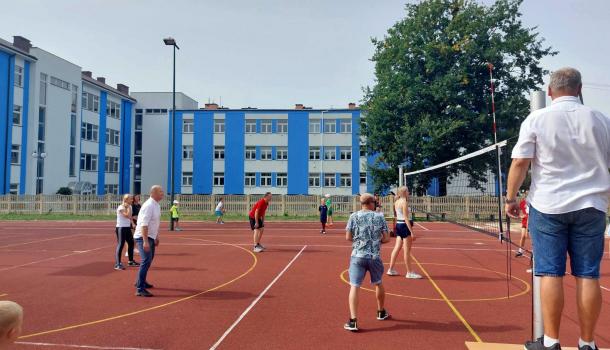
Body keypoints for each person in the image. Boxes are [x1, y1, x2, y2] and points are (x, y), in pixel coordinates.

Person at [506, 67, 609, 350]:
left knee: (550, 272)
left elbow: (520, 162)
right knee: (588, 275)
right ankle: (587, 343)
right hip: (592, 205)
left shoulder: (537, 119)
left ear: (549, 92)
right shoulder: (601, 119)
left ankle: (551, 342)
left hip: (549, 204)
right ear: (580, 89)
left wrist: (511, 198)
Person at [344, 193, 391, 332]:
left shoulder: (353, 216)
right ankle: (381, 312)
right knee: (378, 282)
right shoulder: (380, 216)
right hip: (374, 256)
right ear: (371, 203)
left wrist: (360, 242)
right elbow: (387, 238)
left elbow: (348, 237)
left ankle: (353, 321)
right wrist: (376, 241)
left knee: (354, 286)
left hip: (357, 256)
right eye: (375, 202)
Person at [134, 185, 164, 297]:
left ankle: (140, 281)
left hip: (151, 237)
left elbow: (154, 223)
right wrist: (145, 241)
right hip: (143, 237)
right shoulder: (149, 205)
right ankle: (139, 288)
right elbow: (144, 224)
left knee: (149, 260)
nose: (162, 193)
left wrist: (156, 236)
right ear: (153, 193)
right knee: (146, 261)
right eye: (160, 191)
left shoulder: (156, 205)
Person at [386, 186, 422, 279]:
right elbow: (406, 218)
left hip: (398, 225)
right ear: (405, 192)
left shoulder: (396, 201)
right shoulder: (404, 202)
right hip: (404, 226)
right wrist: (412, 232)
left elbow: (399, 215)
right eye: (408, 191)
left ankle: (390, 269)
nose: (409, 192)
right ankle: (409, 272)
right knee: (407, 251)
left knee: (397, 248)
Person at [115, 194, 138, 270]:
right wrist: (128, 207)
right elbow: (127, 215)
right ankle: (118, 264)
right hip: (121, 228)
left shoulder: (130, 206)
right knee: (121, 244)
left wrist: (133, 223)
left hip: (127, 227)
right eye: (130, 199)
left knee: (131, 243)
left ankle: (131, 261)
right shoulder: (121, 207)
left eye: (132, 199)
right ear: (126, 199)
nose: (132, 200)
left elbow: (130, 217)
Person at [515, 190, 529, 258]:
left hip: (531, 222)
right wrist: (521, 216)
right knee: (523, 236)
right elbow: (520, 212)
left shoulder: (533, 203)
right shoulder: (522, 202)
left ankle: (536, 252)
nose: (526, 195)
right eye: (526, 194)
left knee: (530, 236)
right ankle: (520, 251)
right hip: (525, 222)